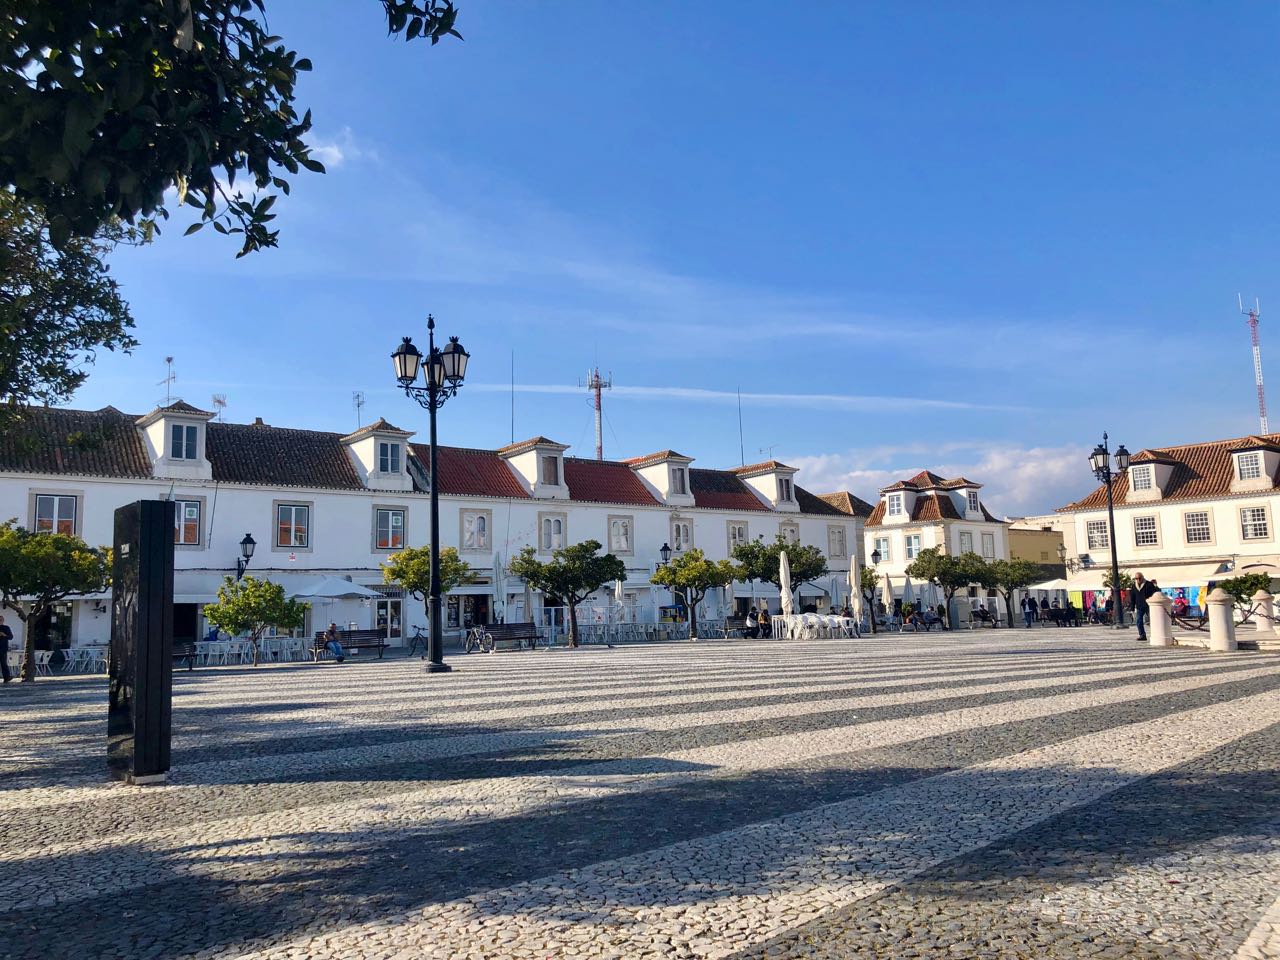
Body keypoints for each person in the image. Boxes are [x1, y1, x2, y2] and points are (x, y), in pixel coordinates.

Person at [1131, 572, 1157, 641]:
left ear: (1142, 577)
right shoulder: (1134, 586)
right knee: (1139, 621)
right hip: (1139, 606)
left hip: (1148, 606)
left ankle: (1156, 634)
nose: (1138, 580)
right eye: (1136, 578)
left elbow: (1154, 594)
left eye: (1139, 578)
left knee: (1153, 621)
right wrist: (1132, 608)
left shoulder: (1149, 584)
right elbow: (1132, 598)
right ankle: (1142, 635)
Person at [0, 614, 12, 683]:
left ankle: (6, 678)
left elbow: (10, 637)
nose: (0, 621)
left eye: (1, 620)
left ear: (3, 620)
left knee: (3, 663)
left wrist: (4, 635)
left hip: (3, 648)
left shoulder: (6, 628)